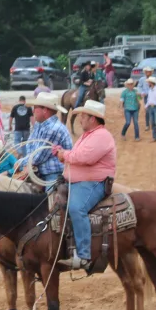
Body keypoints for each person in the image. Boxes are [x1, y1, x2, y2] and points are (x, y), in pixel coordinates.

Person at [55, 99, 117, 270]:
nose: (80, 119)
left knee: (76, 208)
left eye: (83, 116)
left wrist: (64, 155)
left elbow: (84, 158)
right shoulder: (89, 135)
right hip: (79, 182)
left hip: (93, 183)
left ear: (93, 119)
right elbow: (77, 154)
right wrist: (64, 153)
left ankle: (83, 255)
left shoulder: (101, 136)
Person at [14, 92, 72, 184]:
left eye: (35, 108)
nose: (33, 111)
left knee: (48, 197)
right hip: (42, 170)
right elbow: (30, 144)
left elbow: (39, 156)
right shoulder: (39, 124)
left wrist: (21, 163)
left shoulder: (53, 128)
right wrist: (28, 163)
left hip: (54, 173)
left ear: (45, 110)